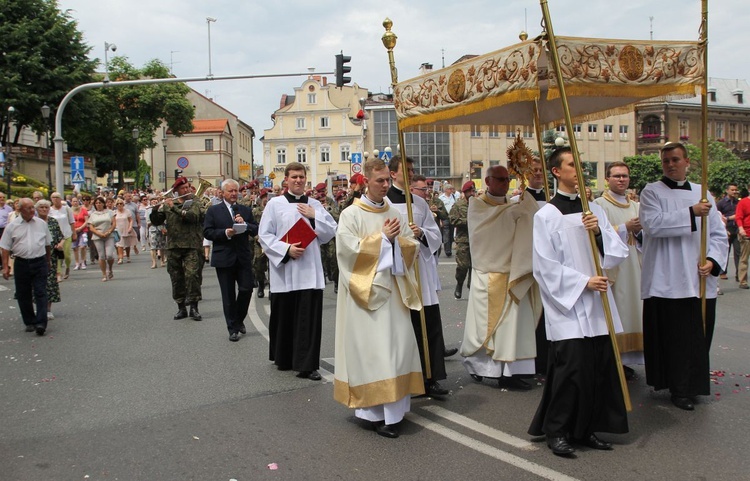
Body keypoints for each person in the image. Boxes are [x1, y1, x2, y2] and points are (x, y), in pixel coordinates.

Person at [528, 147, 630, 456]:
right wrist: (583, 282)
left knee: (598, 369)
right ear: (557, 172)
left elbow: (616, 251)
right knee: (571, 371)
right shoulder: (545, 215)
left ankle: (587, 429)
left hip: (597, 304)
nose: (578, 169)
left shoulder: (593, 210)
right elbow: (543, 266)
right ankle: (557, 431)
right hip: (569, 307)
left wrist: (598, 232)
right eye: (572, 165)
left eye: (579, 164)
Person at [334, 157, 425, 439]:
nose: (386, 185)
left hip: (394, 293)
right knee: (374, 354)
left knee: (396, 351)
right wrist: (383, 240)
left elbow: (410, 244)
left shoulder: (395, 211)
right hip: (367, 297)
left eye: (388, 180)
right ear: (366, 181)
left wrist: (401, 242)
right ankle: (373, 413)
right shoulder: (351, 214)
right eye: (380, 181)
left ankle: (394, 414)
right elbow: (347, 254)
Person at [640, 142, 727, 411]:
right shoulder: (652, 192)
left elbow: (717, 234)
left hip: (698, 277)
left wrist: (713, 261)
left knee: (697, 336)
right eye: (666, 160)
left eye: (675, 159)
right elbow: (652, 225)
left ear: (687, 162)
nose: (670, 164)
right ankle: (678, 388)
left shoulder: (703, 194)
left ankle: (693, 385)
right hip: (667, 278)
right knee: (675, 338)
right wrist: (690, 213)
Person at [461, 165, 542, 390]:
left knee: (514, 326)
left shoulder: (513, 205)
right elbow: (491, 229)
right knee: (485, 327)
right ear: (487, 181)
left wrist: (526, 204)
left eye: (508, 179)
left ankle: (512, 371)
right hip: (488, 272)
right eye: (500, 179)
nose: (505, 183)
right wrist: (519, 210)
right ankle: (480, 368)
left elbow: (525, 220)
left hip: (514, 270)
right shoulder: (477, 205)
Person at [258, 162, 337, 380]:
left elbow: (330, 232)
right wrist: (286, 249)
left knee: (308, 319)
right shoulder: (275, 205)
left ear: (306, 179)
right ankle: (284, 358)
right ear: (286, 180)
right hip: (285, 269)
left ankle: (307, 364)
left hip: (309, 270)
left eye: (301, 177)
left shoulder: (315, 204)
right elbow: (264, 235)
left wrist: (314, 216)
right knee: (284, 315)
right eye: (294, 177)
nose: (298, 180)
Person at [387, 157, 449, 396]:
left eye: (413, 170)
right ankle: (407, 379)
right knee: (405, 326)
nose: (411, 174)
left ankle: (430, 377)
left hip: (420, 270)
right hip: (399, 270)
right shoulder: (385, 203)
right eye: (407, 170)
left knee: (428, 323)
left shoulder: (420, 203)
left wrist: (421, 231)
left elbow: (435, 234)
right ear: (393, 174)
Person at [593, 161, 645, 372]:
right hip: (614, 268)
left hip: (635, 265)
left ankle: (625, 362)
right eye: (616, 176)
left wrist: (639, 232)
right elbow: (597, 235)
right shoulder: (599, 205)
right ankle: (612, 361)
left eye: (624, 176)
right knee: (617, 312)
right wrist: (625, 228)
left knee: (633, 310)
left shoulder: (636, 205)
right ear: (607, 179)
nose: (621, 179)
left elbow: (643, 238)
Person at [204, 179, 258, 341]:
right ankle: (232, 328)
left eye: (236, 190)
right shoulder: (213, 211)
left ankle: (239, 319)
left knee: (246, 289)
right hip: (224, 257)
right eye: (230, 191)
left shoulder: (245, 210)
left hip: (242, 257)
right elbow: (208, 232)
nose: (234, 194)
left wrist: (246, 224)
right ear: (222, 193)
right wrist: (225, 233)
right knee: (228, 295)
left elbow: (256, 229)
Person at [150, 177, 207, 321]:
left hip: (192, 246)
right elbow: (157, 221)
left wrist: (173, 208)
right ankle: (181, 307)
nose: (186, 190)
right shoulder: (170, 204)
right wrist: (155, 209)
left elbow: (192, 217)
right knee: (176, 277)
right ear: (176, 191)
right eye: (183, 188)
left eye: (188, 187)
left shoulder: (195, 202)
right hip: (174, 246)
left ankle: (194, 307)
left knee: (192, 275)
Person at [0, 198, 52, 335]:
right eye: (29, 208)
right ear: (20, 210)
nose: (32, 210)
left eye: (32, 208)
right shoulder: (12, 226)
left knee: (41, 291)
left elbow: (47, 244)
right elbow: (5, 248)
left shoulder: (41, 224)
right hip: (22, 263)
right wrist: (6, 267)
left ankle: (41, 322)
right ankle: (29, 321)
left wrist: (48, 261)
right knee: (24, 294)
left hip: (39, 261)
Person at [35, 200, 63, 320]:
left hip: (50, 256)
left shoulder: (52, 221)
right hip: (36, 255)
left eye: (46, 207)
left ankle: (48, 309)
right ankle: (39, 307)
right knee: (37, 283)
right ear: (37, 209)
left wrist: (60, 244)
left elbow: (60, 236)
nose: (44, 209)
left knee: (50, 282)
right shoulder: (34, 222)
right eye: (41, 207)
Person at [450, 180, 475, 299]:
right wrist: (466, 222)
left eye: (473, 191)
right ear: (465, 192)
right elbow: (452, 220)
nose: (472, 193)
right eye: (470, 191)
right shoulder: (458, 205)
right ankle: (459, 284)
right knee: (463, 265)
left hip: (476, 240)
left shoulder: (477, 204)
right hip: (463, 239)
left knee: (474, 266)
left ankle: (472, 287)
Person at [87, 197, 117, 282]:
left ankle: (110, 269)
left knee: (110, 255)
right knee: (102, 255)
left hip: (108, 235)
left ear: (103, 204)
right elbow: (91, 227)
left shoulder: (110, 212)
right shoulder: (93, 214)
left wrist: (109, 231)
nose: (98, 204)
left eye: (100, 203)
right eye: (96, 203)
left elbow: (114, 223)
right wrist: (99, 233)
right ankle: (104, 274)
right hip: (98, 236)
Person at [50, 192, 76, 281]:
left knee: (67, 255)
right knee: (57, 255)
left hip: (66, 234)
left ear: (61, 199)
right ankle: (58, 273)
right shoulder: (49, 210)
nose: (55, 199)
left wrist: (74, 233)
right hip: (55, 236)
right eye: (53, 197)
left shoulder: (66, 209)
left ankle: (68, 267)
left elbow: (72, 222)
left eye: (57, 197)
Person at [716, 183, 740, 281]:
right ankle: (723, 272)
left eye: (735, 190)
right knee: (725, 252)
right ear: (727, 191)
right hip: (726, 230)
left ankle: (739, 273)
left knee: (739, 253)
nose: (734, 192)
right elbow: (717, 217)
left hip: (737, 230)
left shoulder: (738, 203)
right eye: (732, 190)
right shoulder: (721, 203)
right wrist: (729, 218)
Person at [252, 189, 270, 298]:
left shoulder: (274, 210)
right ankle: (261, 284)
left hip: (273, 241)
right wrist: (256, 237)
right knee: (258, 265)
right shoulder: (255, 212)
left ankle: (273, 288)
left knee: (274, 266)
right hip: (259, 242)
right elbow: (252, 226)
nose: (266, 200)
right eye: (264, 197)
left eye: (267, 197)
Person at [114, 198, 136, 264]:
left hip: (126, 229)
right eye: (118, 204)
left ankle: (128, 256)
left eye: (121, 203)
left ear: (123, 204)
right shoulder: (114, 212)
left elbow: (131, 220)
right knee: (119, 245)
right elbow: (113, 221)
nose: (119, 205)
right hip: (118, 230)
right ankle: (120, 258)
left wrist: (130, 227)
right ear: (116, 205)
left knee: (127, 245)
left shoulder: (127, 211)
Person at [438, 183, 458, 256]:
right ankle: (447, 251)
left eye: (452, 189)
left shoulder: (454, 197)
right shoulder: (441, 198)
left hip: (452, 217)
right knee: (446, 234)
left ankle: (449, 248)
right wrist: (440, 219)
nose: (451, 190)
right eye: (450, 189)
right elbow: (439, 209)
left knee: (451, 234)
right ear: (446, 190)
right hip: (445, 217)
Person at [147, 196, 167, 269]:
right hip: (153, 228)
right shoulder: (148, 210)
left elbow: (164, 218)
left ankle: (162, 260)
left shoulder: (161, 208)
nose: (154, 202)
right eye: (152, 201)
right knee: (153, 247)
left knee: (162, 246)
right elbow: (148, 221)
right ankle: (154, 262)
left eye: (155, 201)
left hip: (161, 227)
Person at [70, 197, 89, 270]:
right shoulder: (69, 211)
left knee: (82, 246)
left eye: (76, 201)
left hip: (83, 230)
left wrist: (80, 228)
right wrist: (73, 229)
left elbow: (86, 220)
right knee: (75, 247)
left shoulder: (83, 210)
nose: (75, 203)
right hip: (73, 231)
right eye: (74, 201)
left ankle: (83, 261)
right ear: (71, 202)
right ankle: (77, 263)